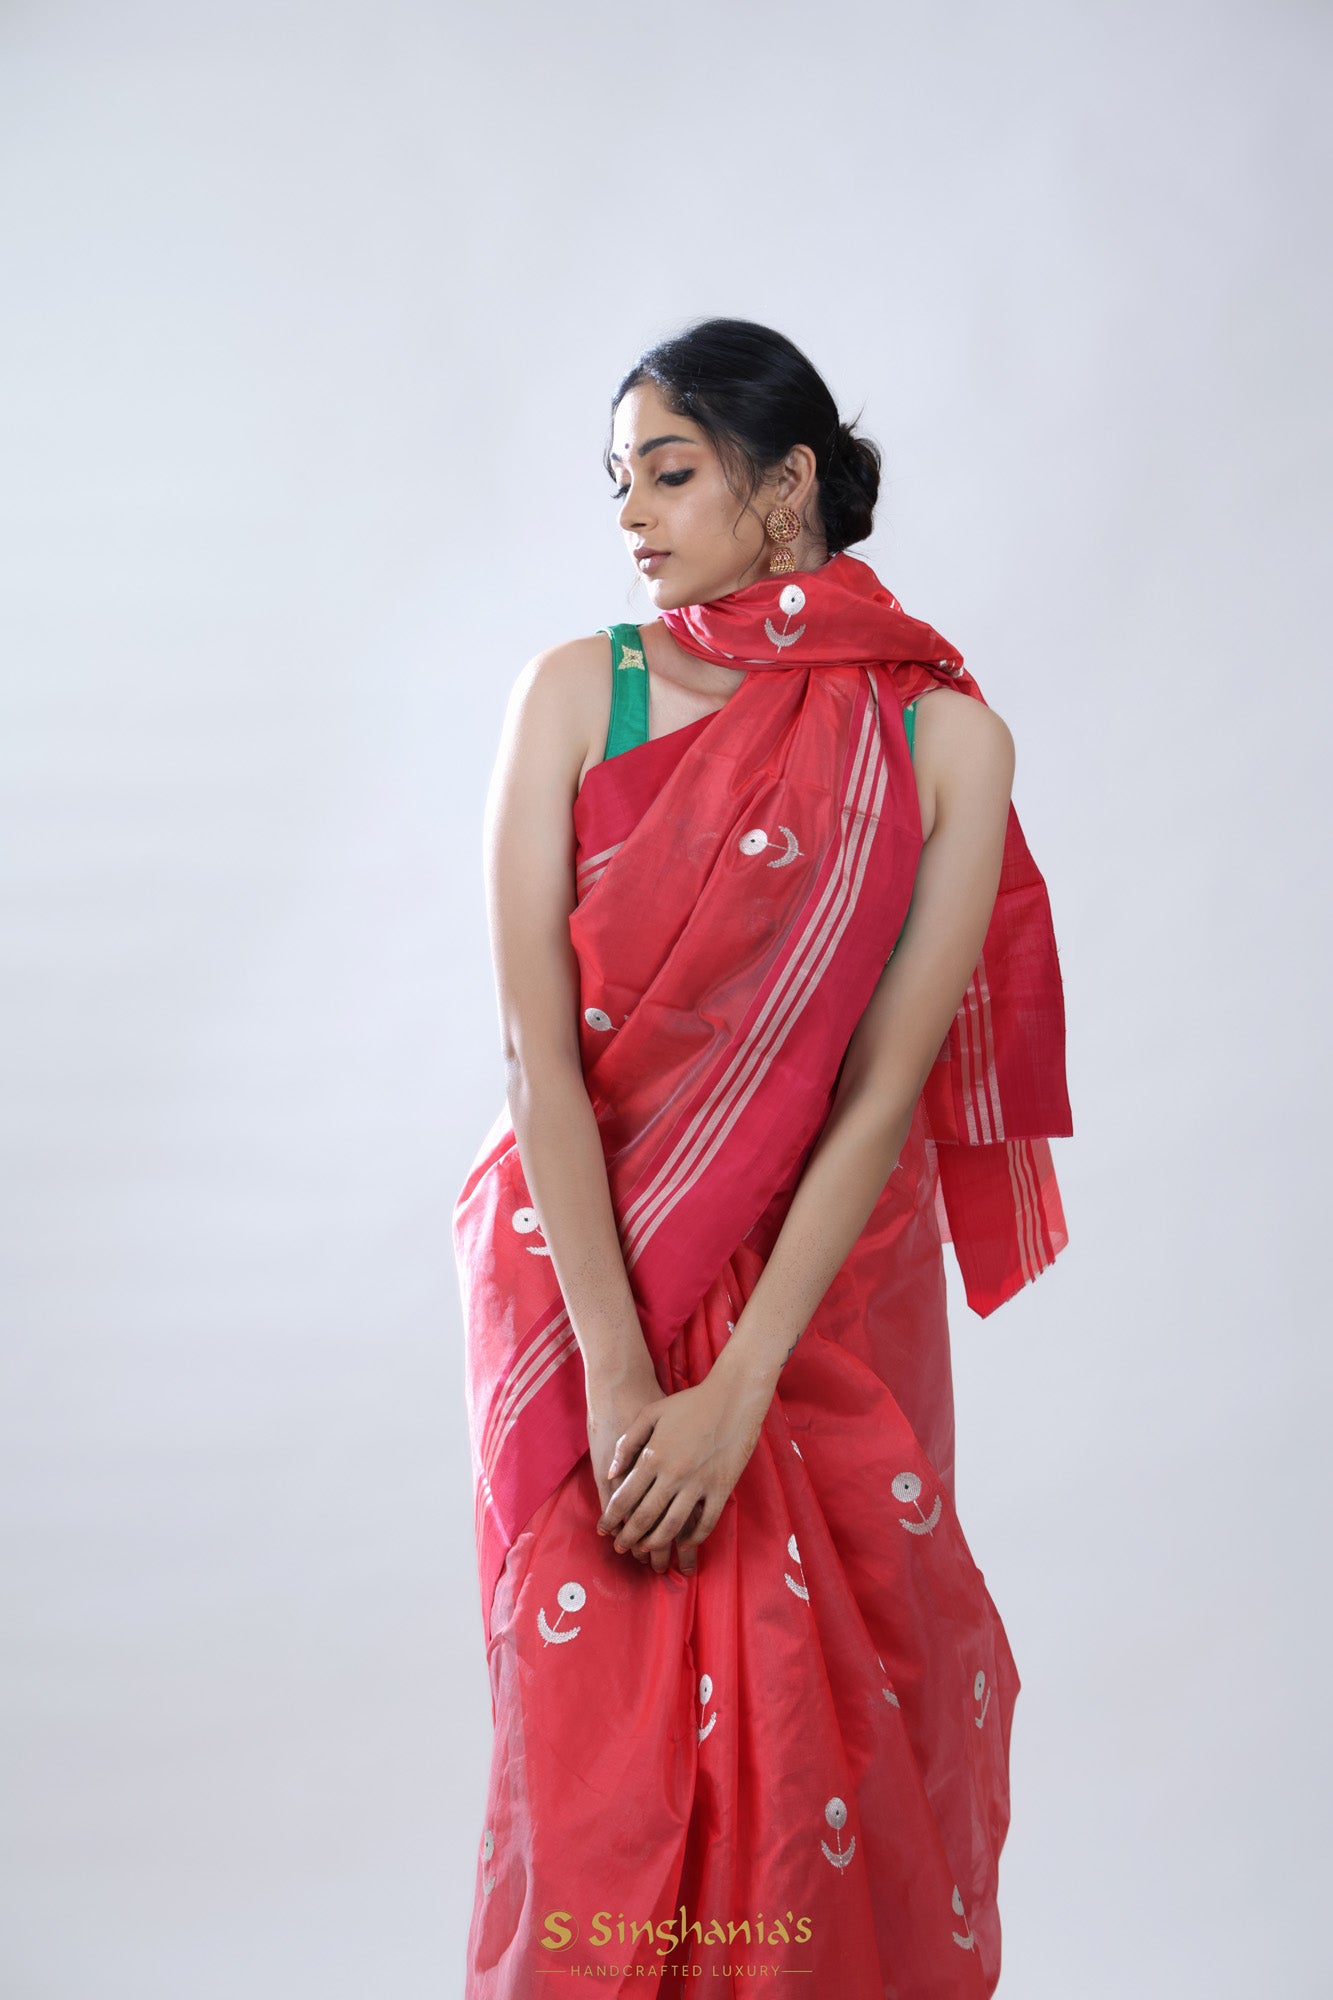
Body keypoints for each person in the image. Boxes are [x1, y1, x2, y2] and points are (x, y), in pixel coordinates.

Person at [452, 317, 1072, 1998]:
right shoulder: (577, 693)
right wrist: (618, 1375)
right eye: (617, 482)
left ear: (784, 482)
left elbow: (880, 1093)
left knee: (825, 1759)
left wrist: (737, 1393)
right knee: (598, 1768)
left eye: (667, 474)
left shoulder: (943, 740)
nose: (630, 518)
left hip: (822, 1314)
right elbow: (535, 1057)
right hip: (589, 1284)